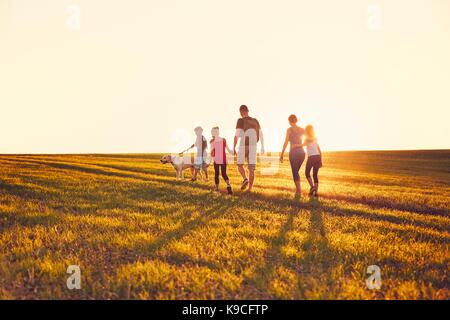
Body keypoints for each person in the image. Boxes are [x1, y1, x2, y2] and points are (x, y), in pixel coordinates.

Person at [233, 105, 265, 192]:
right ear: (248, 110)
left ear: (241, 111)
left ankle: (245, 179)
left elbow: (236, 135)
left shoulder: (240, 120)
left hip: (243, 145)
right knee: (251, 168)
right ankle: (250, 189)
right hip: (253, 146)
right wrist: (262, 146)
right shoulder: (255, 121)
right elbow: (261, 134)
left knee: (239, 165)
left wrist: (234, 147)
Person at [279, 114, 305, 197]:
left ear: (289, 121)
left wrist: (282, 153)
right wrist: (300, 145)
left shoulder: (289, 130)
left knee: (295, 172)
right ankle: (299, 190)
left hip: (293, 153)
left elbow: (286, 142)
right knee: (296, 172)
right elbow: (308, 140)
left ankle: (299, 191)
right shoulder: (302, 129)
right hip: (302, 153)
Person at [210, 127, 233, 194]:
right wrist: (233, 152)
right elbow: (228, 149)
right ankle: (229, 186)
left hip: (217, 160)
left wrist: (210, 159)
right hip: (223, 159)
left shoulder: (212, 141)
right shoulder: (223, 140)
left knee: (216, 174)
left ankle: (217, 189)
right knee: (224, 174)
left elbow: (211, 153)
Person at [302, 125, 322, 197]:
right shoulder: (315, 138)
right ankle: (316, 193)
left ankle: (312, 187)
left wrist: (295, 146)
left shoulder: (307, 138)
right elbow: (319, 149)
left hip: (311, 157)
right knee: (315, 175)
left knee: (307, 173)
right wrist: (321, 160)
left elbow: (302, 145)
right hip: (318, 156)